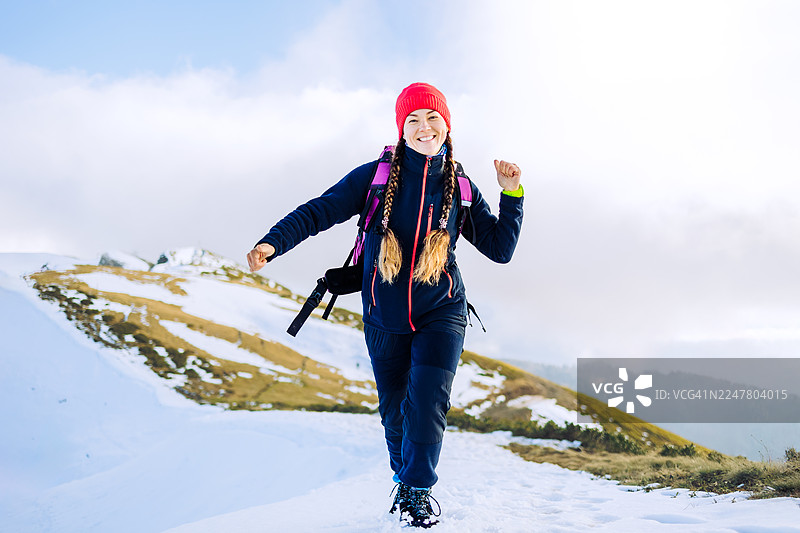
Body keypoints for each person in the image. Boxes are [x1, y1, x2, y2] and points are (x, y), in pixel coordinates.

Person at [246, 82, 523, 528]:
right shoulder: (374, 178)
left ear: (446, 125)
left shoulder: (462, 187)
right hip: (383, 315)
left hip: (442, 310)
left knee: (428, 402)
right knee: (395, 414)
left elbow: (499, 248)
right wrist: (272, 242)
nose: (423, 126)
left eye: (432, 117)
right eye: (412, 119)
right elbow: (320, 210)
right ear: (401, 129)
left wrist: (512, 194)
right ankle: (404, 477)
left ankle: (416, 492)